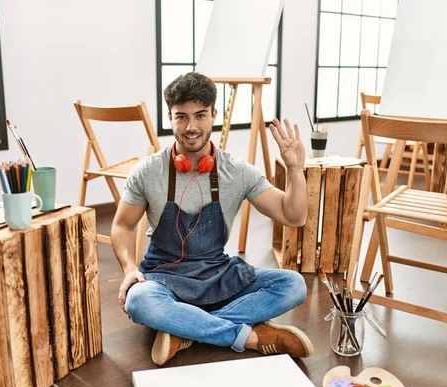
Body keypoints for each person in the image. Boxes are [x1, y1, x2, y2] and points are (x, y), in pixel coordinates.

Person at [110, 72, 311, 366]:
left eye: (200, 115)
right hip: (164, 277)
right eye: (181, 117)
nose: (191, 127)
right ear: (170, 117)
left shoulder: (237, 171)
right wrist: (129, 268)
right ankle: (248, 337)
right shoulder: (148, 171)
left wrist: (295, 170)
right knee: (139, 301)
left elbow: (293, 215)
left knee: (293, 285)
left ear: (214, 114)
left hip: (218, 274)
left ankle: (184, 332)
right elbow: (122, 225)